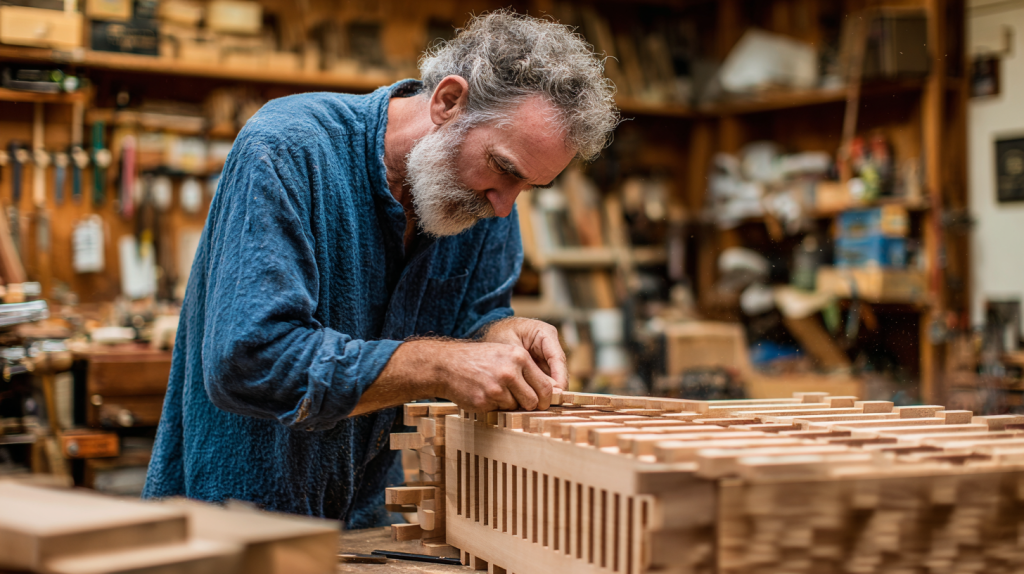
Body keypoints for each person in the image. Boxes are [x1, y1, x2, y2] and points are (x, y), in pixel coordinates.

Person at [142, 10, 620, 527]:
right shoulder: (288, 149)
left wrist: (499, 333)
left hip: (364, 528)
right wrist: (439, 365)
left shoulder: (484, 204)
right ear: (448, 102)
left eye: (528, 187)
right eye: (504, 169)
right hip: (230, 523)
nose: (505, 206)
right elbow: (250, 362)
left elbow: (470, 325)